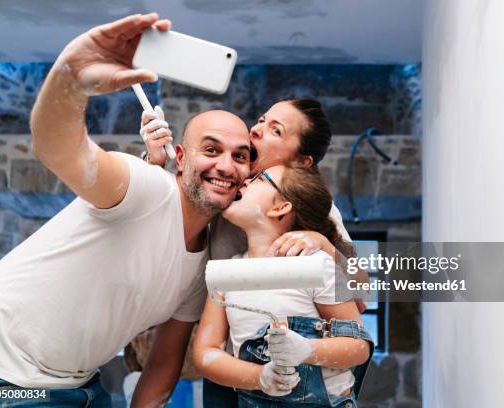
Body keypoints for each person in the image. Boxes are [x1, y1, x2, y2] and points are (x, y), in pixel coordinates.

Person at [0, 13, 251, 408]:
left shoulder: (203, 265)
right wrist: (70, 79)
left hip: (81, 387)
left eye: (240, 156)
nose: (227, 165)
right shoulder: (146, 187)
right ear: (180, 158)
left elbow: (161, 367)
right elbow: (59, 149)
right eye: (211, 150)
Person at [142, 98, 371, 406]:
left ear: (302, 161)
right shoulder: (229, 185)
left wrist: (326, 246)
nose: (257, 130)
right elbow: (171, 202)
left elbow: (360, 296)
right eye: (262, 120)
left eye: (275, 130)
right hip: (229, 349)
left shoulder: (317, 212)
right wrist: (154, 161)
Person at [192, 164, 374, 407]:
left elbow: (359, 347)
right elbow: (205, 354)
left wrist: (308, 349)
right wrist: (259, 378)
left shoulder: (316, 267)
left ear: (281, 207)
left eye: (259, 179)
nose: (244, 181)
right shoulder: (228, 275)